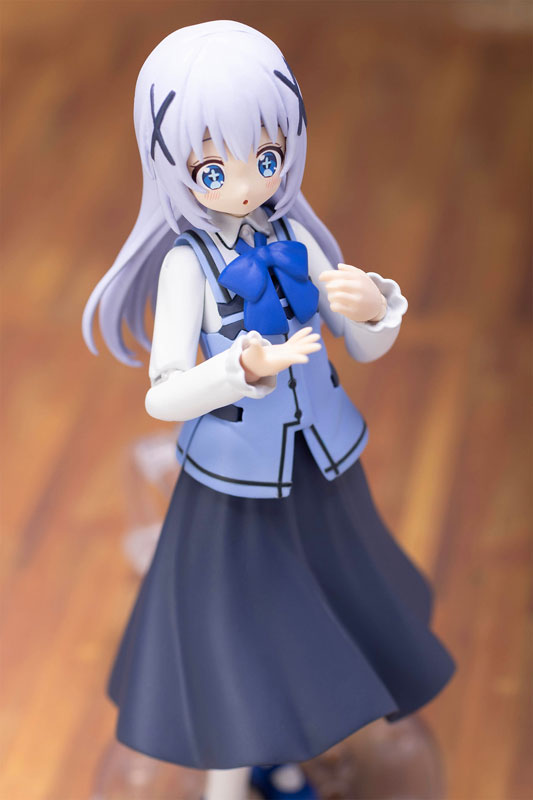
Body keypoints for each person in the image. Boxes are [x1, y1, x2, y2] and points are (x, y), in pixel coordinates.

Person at [83, 20, 455, 800]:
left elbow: (360, 344)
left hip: (319, 471)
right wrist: (239, 370)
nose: (247, 184)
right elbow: (163, 391)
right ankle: (230, 783)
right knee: (237, 643)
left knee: (317, 622)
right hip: (234, 490)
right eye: (212, 168)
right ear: (173, 166)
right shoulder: (188, 264)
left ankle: (281, 757)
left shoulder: (294, 237)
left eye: (265, 156)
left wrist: (376, 307)